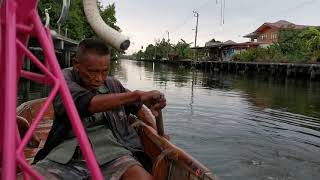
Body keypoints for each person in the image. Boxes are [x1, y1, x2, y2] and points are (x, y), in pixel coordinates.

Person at [32, 38, 166, 180]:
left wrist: (156, 132)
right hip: (66, 154)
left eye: (104, 71)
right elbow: (88, 103)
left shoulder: (113, 84)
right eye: (93, 72)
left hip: (113, 152)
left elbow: (138, 108)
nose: (99, 78)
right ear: (76, 64)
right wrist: (137, 95)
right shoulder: (62, 79)